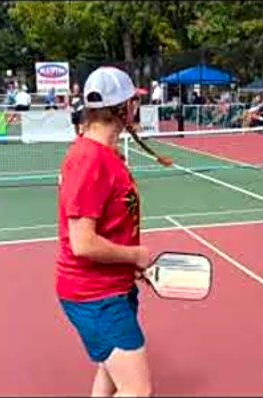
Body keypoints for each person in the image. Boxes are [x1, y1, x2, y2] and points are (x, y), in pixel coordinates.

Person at [56, 66, 152, 397]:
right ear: (123, 109)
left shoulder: (105, 155)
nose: (135, 109)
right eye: (133, 103)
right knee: (137, 390)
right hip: (94, 295)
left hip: (114, 287)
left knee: (109, 374)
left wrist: (127, 264)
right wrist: (134, 254)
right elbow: (82, 243)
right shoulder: (89, 159)